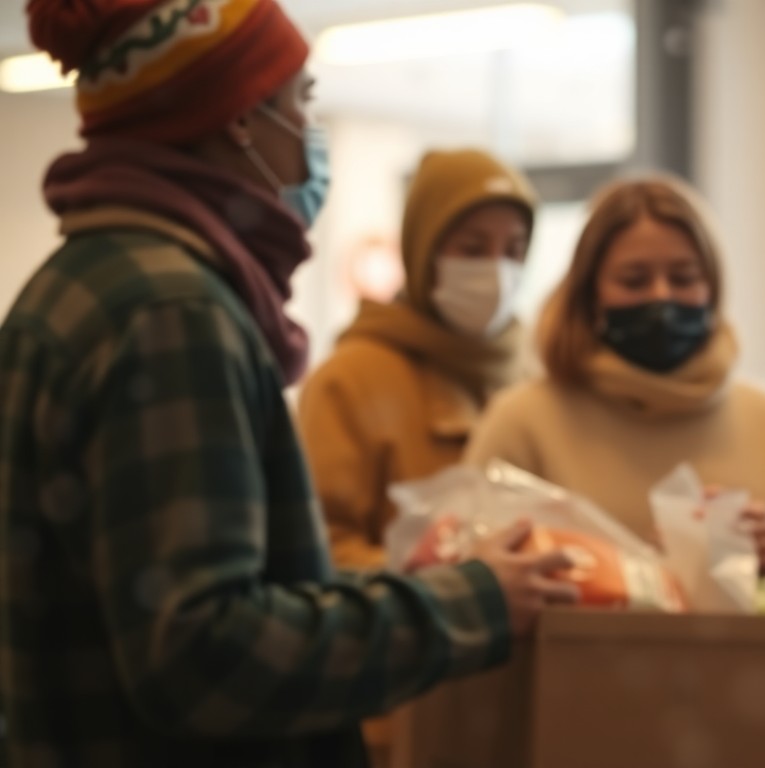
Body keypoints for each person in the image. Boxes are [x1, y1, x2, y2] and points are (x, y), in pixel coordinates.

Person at [0, 2, 574, 766]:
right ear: (241, 118)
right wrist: (469, 603)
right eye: (301, 100)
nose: (310, 132)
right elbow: (205, 657)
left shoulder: (80, 287)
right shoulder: (174, 317)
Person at [297, 149, 537, 765]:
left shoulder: (536, 380)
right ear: (423, 248)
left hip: (520, 704)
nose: (497, 269)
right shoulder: (350, 380)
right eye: (472, 247)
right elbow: (315, 554)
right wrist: (444, 577)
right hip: (396, 703)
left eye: (514, 250)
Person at [467, 176, 765, 571]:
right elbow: (468, 566)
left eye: (683, 278)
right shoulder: (521, 422)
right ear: (591, 294)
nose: (661, 296)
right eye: (634, 280)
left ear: (712, 289)